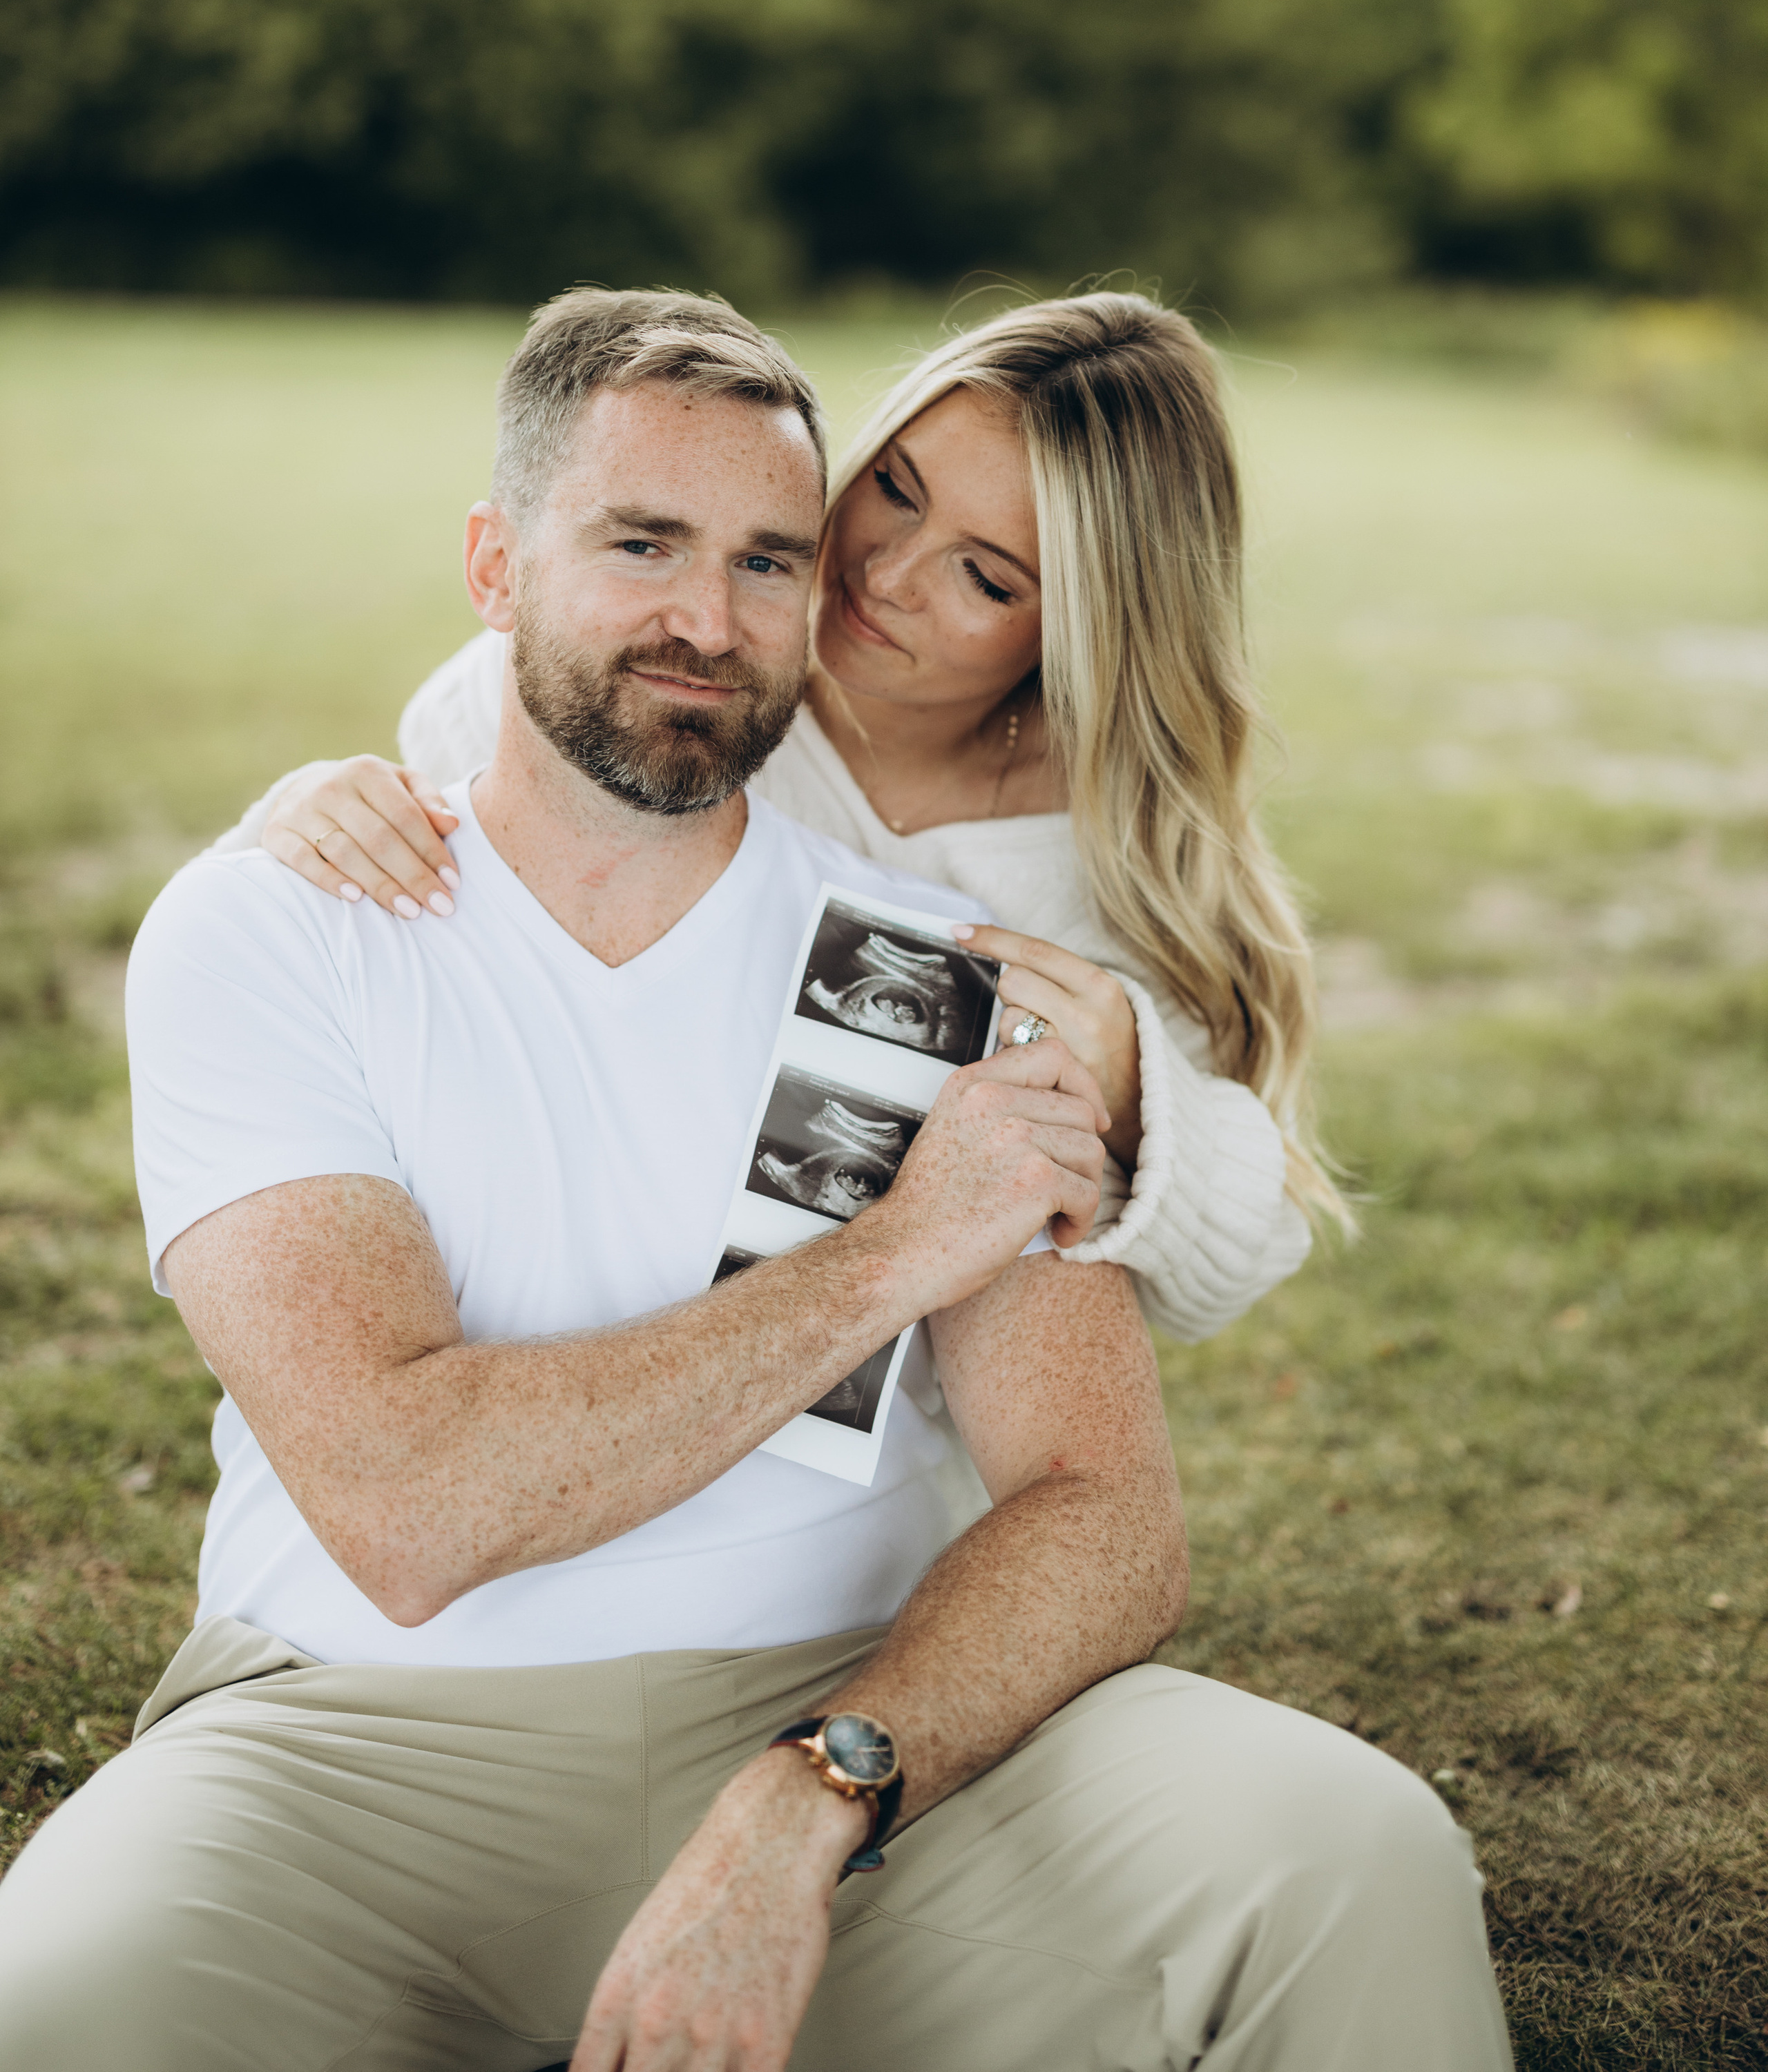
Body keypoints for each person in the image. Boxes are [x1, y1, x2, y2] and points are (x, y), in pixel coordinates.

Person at [0, 289, 1512, 2072]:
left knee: (1354, 1858)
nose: (709, 619)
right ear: (492, 565)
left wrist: (822, 1784)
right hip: (353, 1737)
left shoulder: (972, 974)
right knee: (59, 2008)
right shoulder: (289, 919)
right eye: (643, 542)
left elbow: (1105, 1499)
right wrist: (892, 1255)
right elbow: (409, 1513)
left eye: (768, 562)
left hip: (846, 1693)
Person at [228, 293, 1343, 1356]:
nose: (885, 573)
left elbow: (1234, 1266)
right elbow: (384, 909)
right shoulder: (673, 688)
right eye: (898, 489)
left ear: (1085, 630)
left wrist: (1137, 1093)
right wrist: (308, 812)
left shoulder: (1106, 867)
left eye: (985, 577)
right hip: (564, 1336)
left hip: (890, 1433)